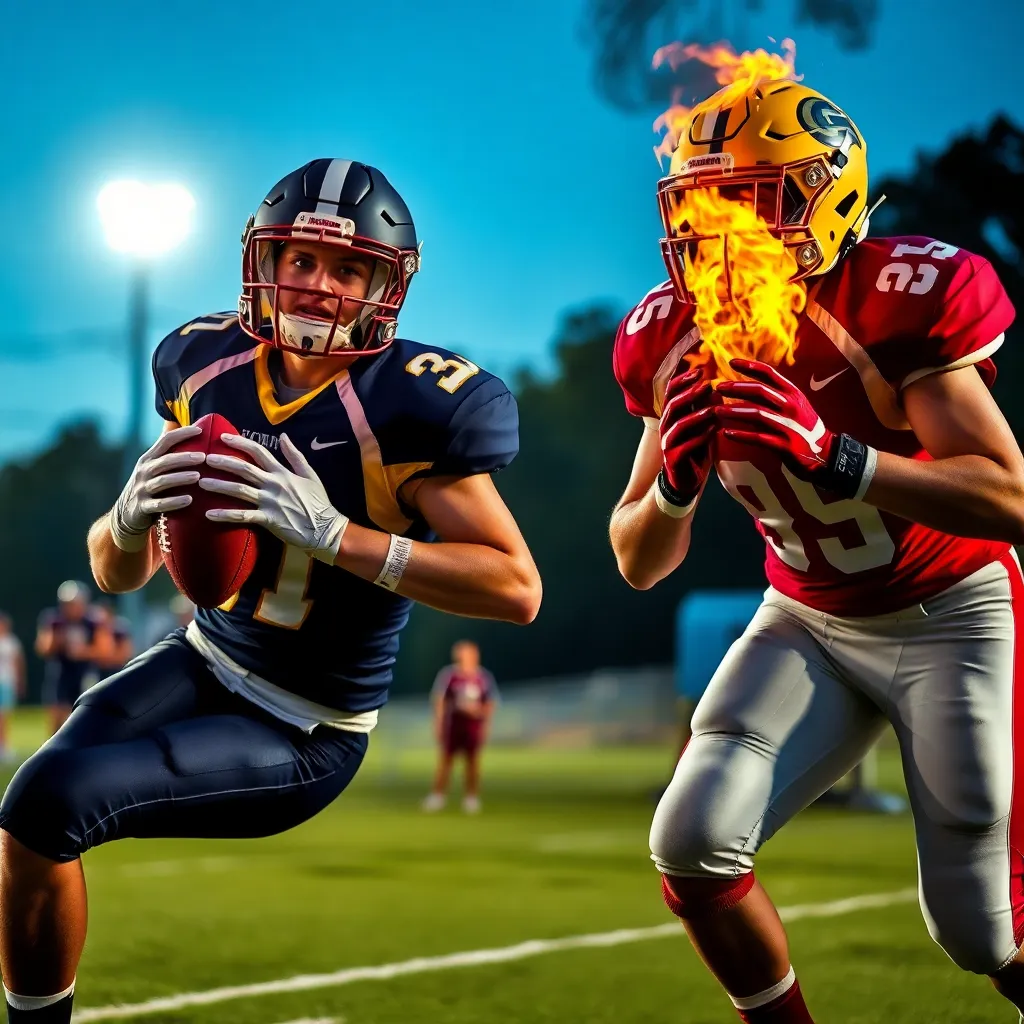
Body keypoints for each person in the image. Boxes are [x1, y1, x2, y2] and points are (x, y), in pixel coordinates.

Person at [0, 158, 541, 1024]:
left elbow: (516, 588)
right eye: (301, 260)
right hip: (200, 660)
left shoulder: (408, 407)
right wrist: (130, 517)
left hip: (303, 724)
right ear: (265, 262)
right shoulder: (204, 365)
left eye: (348, 268)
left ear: (383, 284)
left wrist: (337, 536)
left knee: (54, 806)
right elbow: (113, 573)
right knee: (28, 810)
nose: (319, 285)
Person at [610, 69, 1024, 1022]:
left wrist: (840, 455)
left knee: (978, 929)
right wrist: (673, 487)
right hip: (806, 616)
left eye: (748, 207)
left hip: (954, 611)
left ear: (826, 199)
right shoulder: (672, 334)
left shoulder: (894, 297)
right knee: (694, 837)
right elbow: (637, 559)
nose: (718, 237)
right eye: (700, 208)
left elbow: (1007, 496)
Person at [423, 640, 497, 813]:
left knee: (472, 762)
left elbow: (490, 702)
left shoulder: (482, 677)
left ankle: (471, 797)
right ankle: (438, 796)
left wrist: (479, 714)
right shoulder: (449, 675)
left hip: (473, 726)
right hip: (454, 725)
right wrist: (439, 722)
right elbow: (440, 699)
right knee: (446, 761)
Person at [33, 582, 112, 736]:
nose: (71, 608)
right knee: (57, 711)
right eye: (68, 604)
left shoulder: (93, 622)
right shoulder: (55, 621)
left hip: (85, 671)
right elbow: (43, 648)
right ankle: (54, 746)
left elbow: (105, 650)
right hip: (61, 670)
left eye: (75, 603)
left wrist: (83, 652)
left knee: (85, 711)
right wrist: (58, 641)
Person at [0, 616, 25, 763]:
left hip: (7, 682)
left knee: (5, 715)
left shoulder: (11, 642)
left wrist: (19, 682)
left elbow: (18, 663)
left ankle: (4, 746)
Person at [91, 604, 133, 681]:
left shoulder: (120, 630)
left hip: (118, 670)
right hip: (100, 673)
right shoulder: (93, 630)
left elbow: (125, 655)